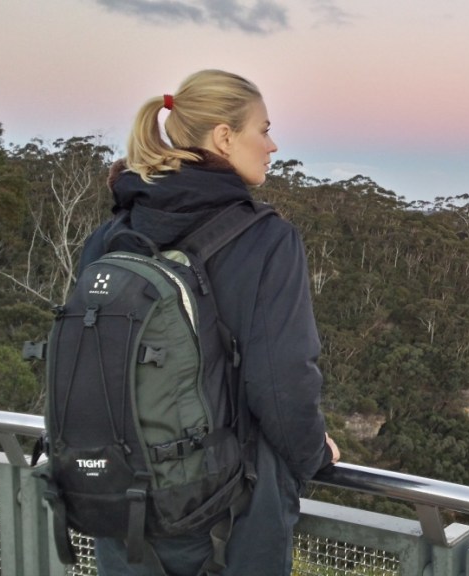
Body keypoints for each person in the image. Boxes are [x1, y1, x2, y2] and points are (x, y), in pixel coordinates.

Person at [78, 69, 340, 575]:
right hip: (231, 513)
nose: (272, 145)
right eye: (262, 129)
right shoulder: (267, 240)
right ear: (224, 135)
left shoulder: (112, 235)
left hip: (123, 505)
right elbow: (282, 380)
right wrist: (314, 455)